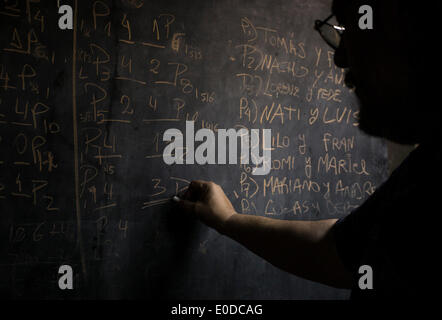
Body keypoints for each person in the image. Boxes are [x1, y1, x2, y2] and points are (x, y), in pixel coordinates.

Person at [174, 0, 440, 299]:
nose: (340, 58)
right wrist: (228, 221)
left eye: (352, 29)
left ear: (411, 27)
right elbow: (337, 253)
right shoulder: (425, 175)